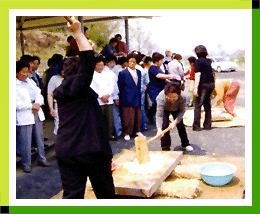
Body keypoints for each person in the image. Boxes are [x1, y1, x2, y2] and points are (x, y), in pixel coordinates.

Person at [53, 17, 115, 199]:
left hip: (66, 151)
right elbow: (88, 61)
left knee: (72, 196)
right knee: (106, 196)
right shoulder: (77, 87)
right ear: (82, 73)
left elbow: (88, 59)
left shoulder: (63, 90)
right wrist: (78, 33)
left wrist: (89, 47)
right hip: (91, 150)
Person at [16, 60, 50, 173]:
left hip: (36, 111)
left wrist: (38, 104)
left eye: (27, 72)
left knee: (39, 137)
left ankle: (42, 158)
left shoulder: (30, 81)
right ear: (16, 73)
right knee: (25, 140)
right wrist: (30, 106)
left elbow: (38, 93)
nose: (25, 74)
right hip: (25, 113)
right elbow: (15, 103)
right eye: (23, 72)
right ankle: (26, 163)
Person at [156, 81, 193, 152]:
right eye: (169, 97)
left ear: (178, 95)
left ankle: (185, 144)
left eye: (174, 97)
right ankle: (165, 148)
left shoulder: (182, 97)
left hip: (176, 109)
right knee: (164, 126)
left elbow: (182, 111)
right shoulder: (161, 97)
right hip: (165, 109)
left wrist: (175, 122)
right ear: (166, 94)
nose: (172, 99)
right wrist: (159, 129)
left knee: (180, 125)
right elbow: (159, 115)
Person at [90, 56, 118, 140]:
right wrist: (101, 96)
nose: (100, 67)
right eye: (98, 65)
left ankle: (110, 134)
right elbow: (92, 87)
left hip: (108, 100)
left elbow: (112, 85)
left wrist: (108, 95)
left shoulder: (108, 74)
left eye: (102, 65)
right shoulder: (92, 75)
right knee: (99, 119)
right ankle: (100, 136)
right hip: (99, 100)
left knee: (110, 119)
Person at [118, 53, 143, 141]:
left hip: (137, 95)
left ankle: (137, 130)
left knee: (137, 115)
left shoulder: (139, 72)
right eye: (130, 62)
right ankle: (127, 132)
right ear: (128, 62)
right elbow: (120, 86)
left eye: (134, 62)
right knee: (128, 116)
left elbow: (139, 85)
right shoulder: (123, 73)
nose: (132, 63)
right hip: (127, 97)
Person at [147, 52, 176, 124]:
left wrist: (169, 81)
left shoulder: (158, 68)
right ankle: (150, 115)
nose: (162, 62)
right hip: (154, 89)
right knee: (156, 103)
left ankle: (164, 118)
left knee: (163, 103)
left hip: (160, 88)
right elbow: (159, 76)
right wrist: (170, 76)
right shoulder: (153, 68)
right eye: (161, 60)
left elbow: (163, 77)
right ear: (157, 60)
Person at [193, 45, 215, 131]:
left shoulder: (198, 62)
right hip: (211, 83)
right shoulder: (208, 61)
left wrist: (195, 88)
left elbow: (198, 75)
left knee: (198, 105)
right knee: (207, 105)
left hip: (203, 85)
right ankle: (207, 125)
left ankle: (196, 126)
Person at [131, 51, 150, 132]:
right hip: (141, 90)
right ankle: (142, 126)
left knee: (131, 109)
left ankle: (133, 127)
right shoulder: (143, 70)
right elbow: (147, 81)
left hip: (131, 91)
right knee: (141, 108)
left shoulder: (130, 69)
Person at [47, 61, 65, 138]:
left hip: (71, 106)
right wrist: (51, 108)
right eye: (62, 70)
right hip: (59, 105)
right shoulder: (54, 79)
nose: (64, 72)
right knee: (58, 126)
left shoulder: (74, 78)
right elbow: (50, 94)